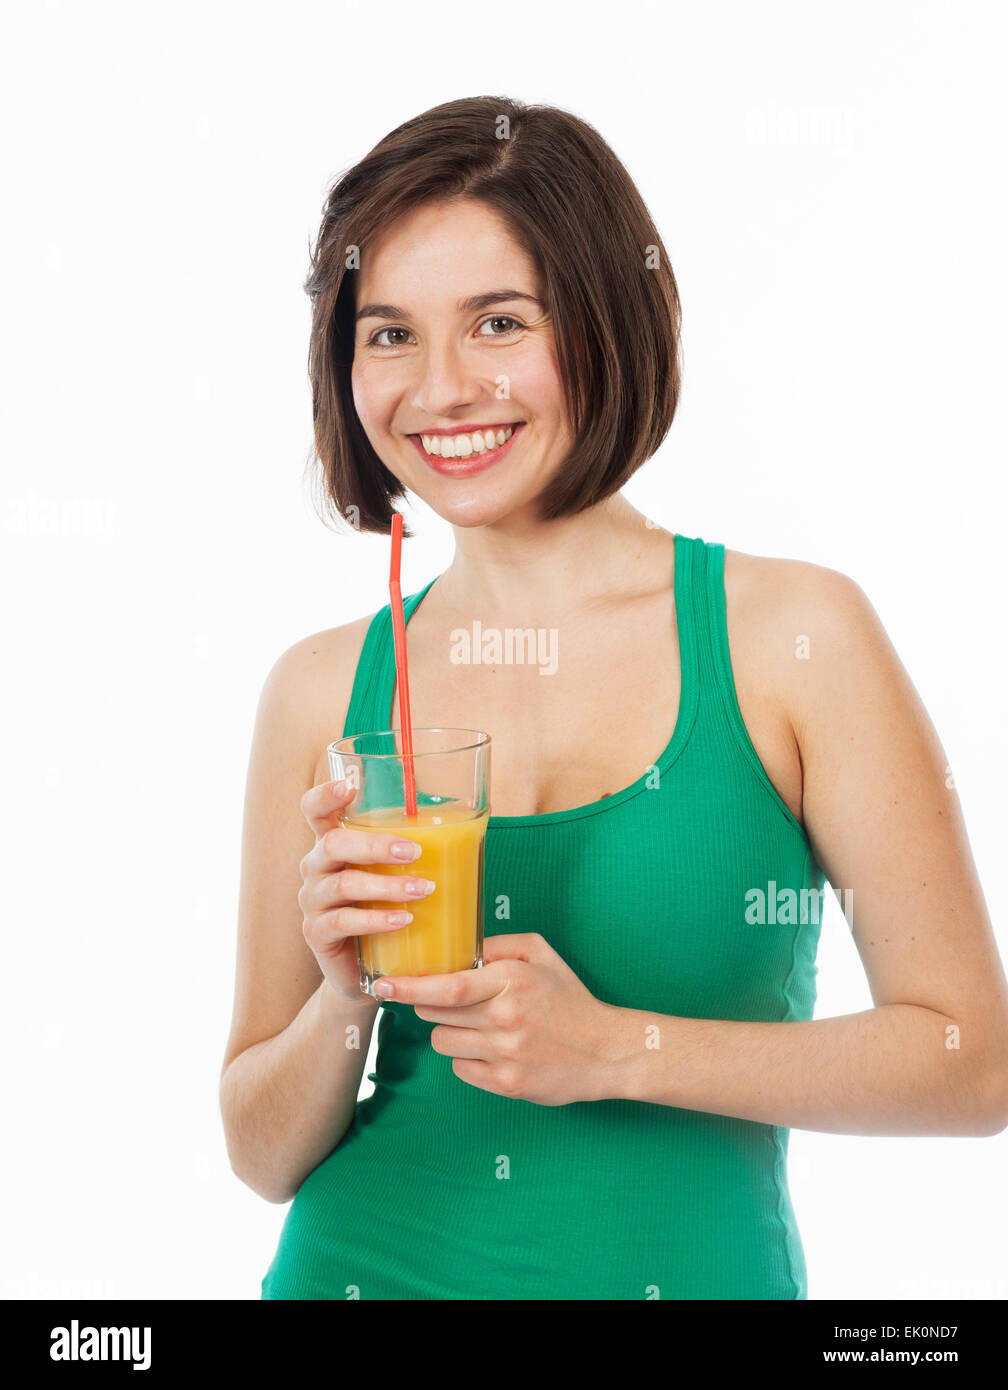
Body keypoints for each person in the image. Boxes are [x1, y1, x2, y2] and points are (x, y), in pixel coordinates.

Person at [219, 96, 1008, 1300]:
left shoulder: (790, 637)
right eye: (388, 336)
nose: (439, 390)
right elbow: (260, 1151)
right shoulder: (323, 688)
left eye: (497, 322)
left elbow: (973, 1065)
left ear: (604, 317)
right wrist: (343, 994)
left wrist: (615, 1050)